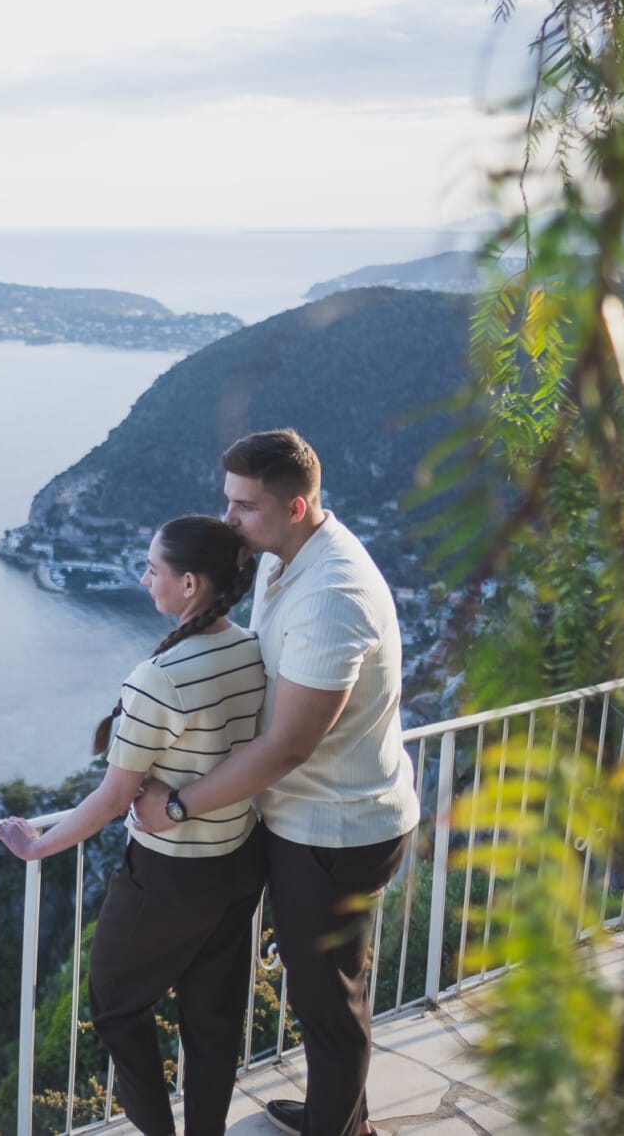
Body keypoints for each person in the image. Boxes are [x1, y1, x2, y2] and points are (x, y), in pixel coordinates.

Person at [134, 429, 420, 1136]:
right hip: (321, 820)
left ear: (295, 508)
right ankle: (336, 1113)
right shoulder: (286, 556)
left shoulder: (331, 595)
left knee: (330, 1001)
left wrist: (177, 803)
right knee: (322, 991)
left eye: (245, 506)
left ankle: (341, 1131)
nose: (228, 519)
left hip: (336, 829)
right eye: (227, 500)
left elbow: (289, 743)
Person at [0, 515, 267, 1136]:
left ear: (189, 584)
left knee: (114, 1006)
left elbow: (115, 798)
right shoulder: (252, 649)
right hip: (241, 860)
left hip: (170, 876)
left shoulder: (159, 678)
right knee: (212, 1019)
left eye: (153, 570)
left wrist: (37, 845)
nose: (144, 580)